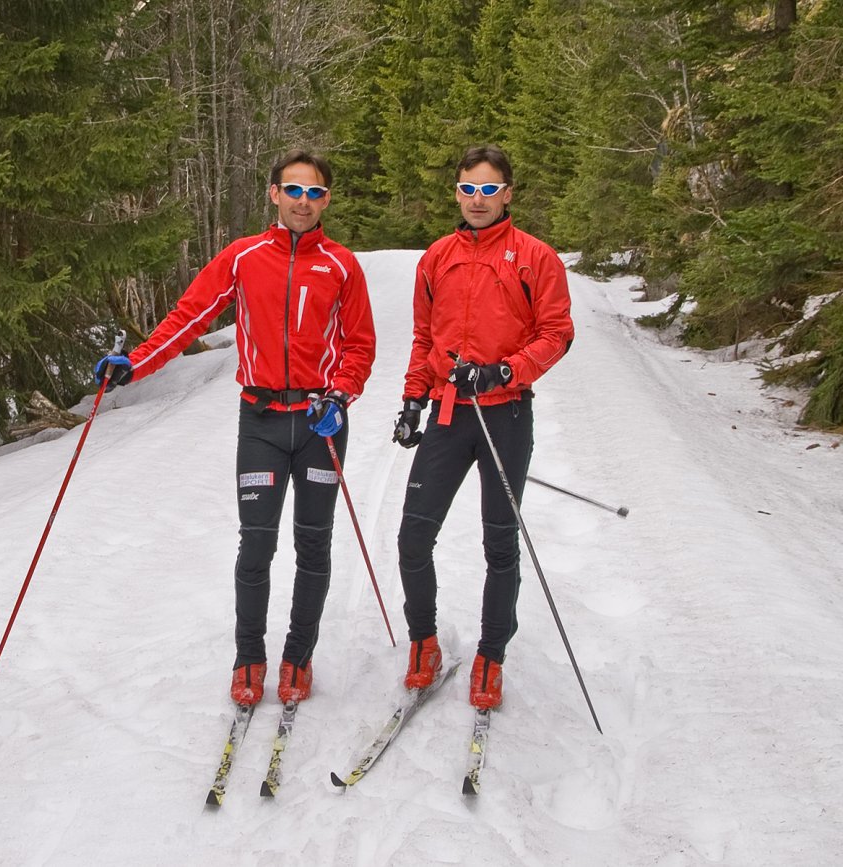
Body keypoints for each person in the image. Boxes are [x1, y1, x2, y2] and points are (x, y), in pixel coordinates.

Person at [94, 150, 376, 707]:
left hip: (321, 423)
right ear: (273, 194)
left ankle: (299, 656)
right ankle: (249, 657)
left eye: (315, 193)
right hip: (262, 422)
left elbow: (360, 346)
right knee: (256, 546)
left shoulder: (341, 265)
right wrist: (136, 363)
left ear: (327, 201)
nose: (303, 202)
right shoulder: (244, 256)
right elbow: (189, 318)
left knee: (314, 546)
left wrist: (340, 396)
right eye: (293, 191)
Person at [391, 144, 574, 710]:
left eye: (489, 189)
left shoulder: (535, 258)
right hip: (448, 414)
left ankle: (491, 655)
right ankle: (424, 640)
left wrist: (503, 370)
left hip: (506, 415)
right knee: (413, 537)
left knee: (501, 542)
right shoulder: (437, 258)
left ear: (508, 193)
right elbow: (426, 339)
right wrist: (412, 399)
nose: (478, 199)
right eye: (468, 188)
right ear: (457, 192)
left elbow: (557, 333)